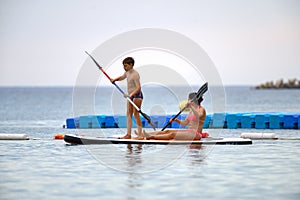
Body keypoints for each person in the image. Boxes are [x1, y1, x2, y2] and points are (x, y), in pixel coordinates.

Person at [110, 57, 144, 139]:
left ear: (131, 65)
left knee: (136, 114)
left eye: (126, 66)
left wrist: (130, 95)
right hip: (130, 96)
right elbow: (122, 77)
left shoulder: (135, 74)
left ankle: (140, 135)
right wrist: (114, 79)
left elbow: (138, 88)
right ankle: (128, 134)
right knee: (128, 114)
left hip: (137, 96)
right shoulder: (127, 72)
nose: (124, 68)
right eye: (123, 66)